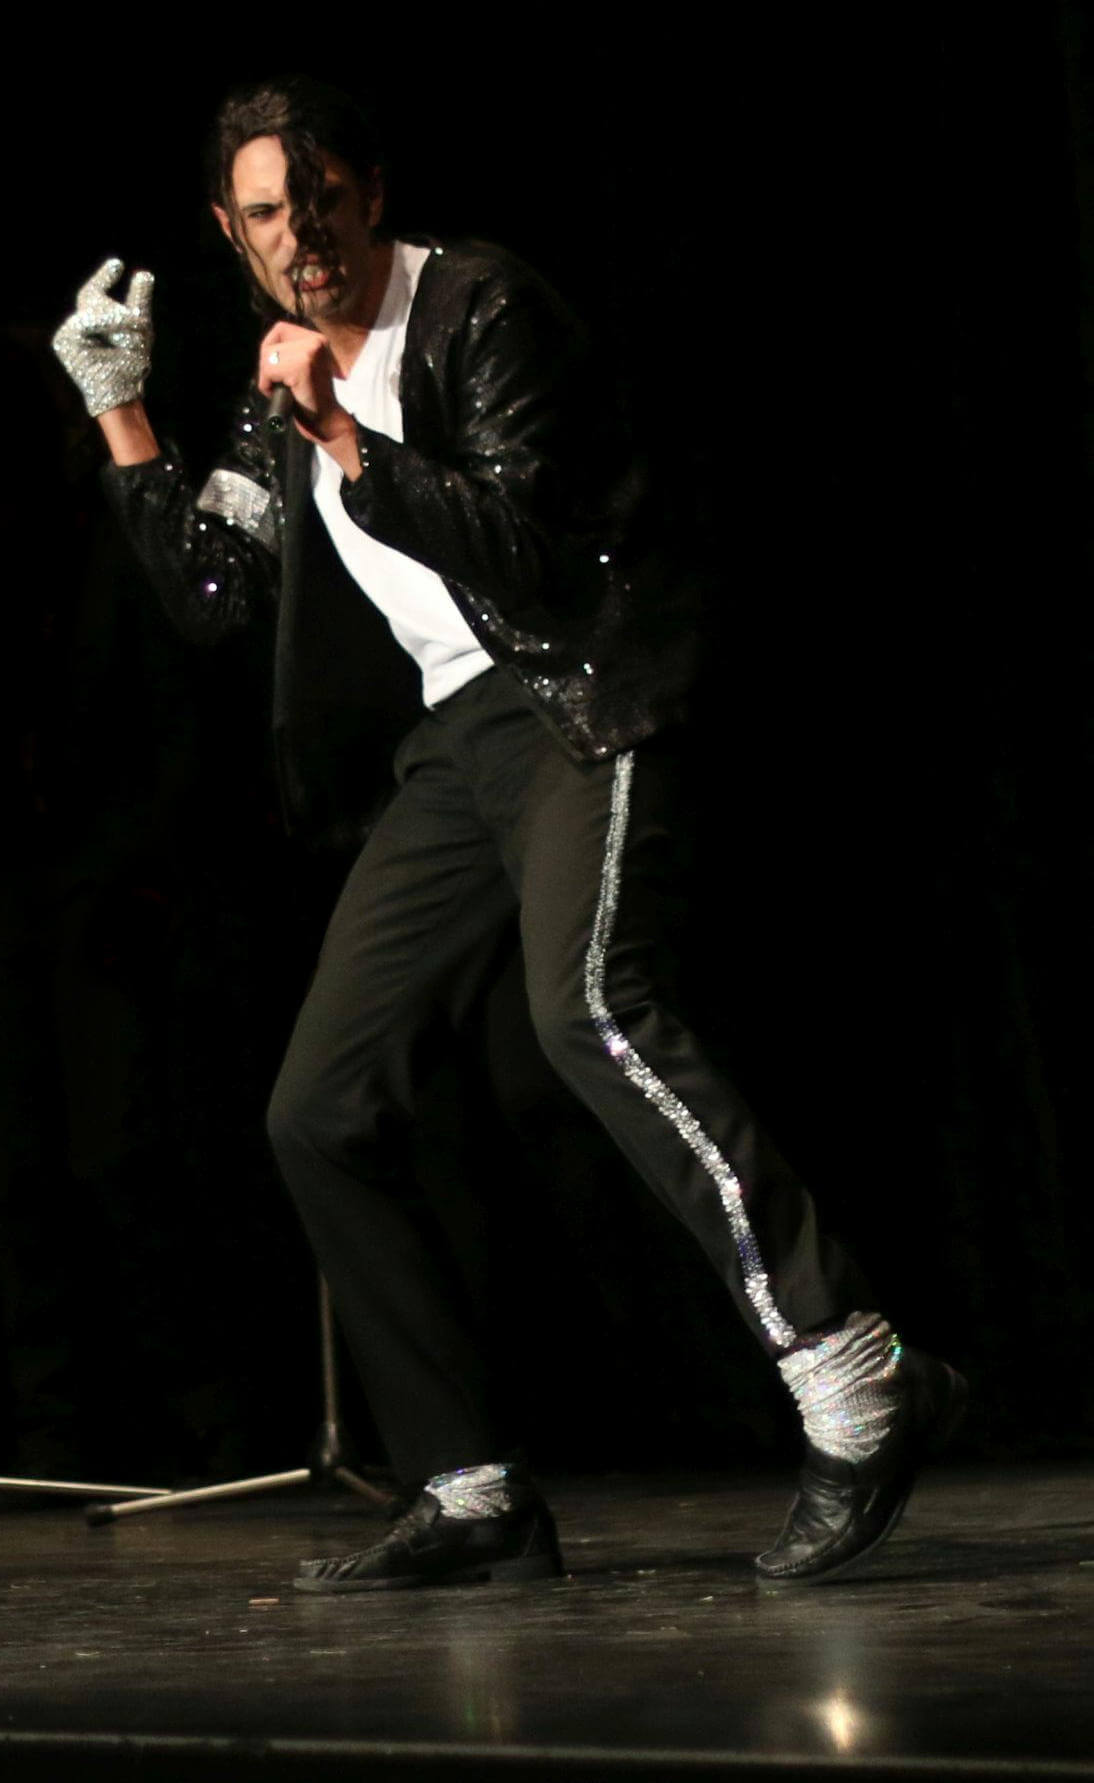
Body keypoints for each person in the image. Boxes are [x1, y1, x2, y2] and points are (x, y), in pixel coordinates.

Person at [52, 75, 964, 1591]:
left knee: (587, 1006)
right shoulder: (276, 380)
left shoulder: (480, 310)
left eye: (320, 201)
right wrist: (120, 412)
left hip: (582, 697)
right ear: (229, 231)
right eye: (267, 216)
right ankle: (467, 1480)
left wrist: (343, 433)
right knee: (317, 1106)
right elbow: (215, 591)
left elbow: (532, 558)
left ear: (370, 191)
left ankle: (854, 1371)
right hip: (458, 748)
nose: (302, 240)